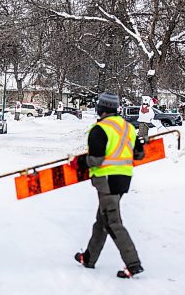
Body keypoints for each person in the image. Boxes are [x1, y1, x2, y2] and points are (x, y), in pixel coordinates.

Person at [70, 91, 145, 279]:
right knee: (102, 220)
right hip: (123, 179)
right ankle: (88, 258)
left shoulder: (100, 129)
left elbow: (95, 159)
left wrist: (77, 163)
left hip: (106, 182)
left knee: (112, 222)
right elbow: (139, 154)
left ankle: (133, 263)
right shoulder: (127, 127)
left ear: (101, 108)